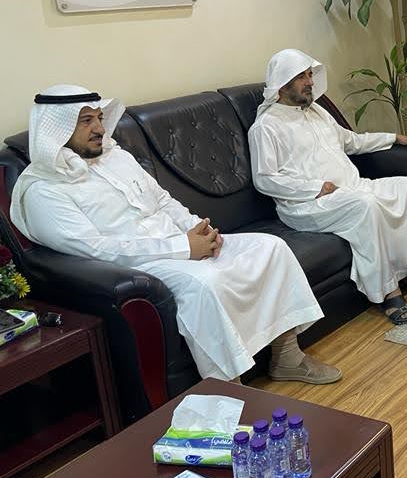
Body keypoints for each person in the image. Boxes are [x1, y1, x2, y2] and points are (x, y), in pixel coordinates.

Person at [10, 85, 339, 384]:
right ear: (56, 129)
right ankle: (231, 387)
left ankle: (287, 358)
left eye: (98, 117)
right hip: (140, 266)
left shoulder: (115, 156)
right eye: (86, 121)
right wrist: (184, 247)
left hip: (182, 242)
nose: (99, 128)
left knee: (271, 248)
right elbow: (97, 250)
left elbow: (163, 201)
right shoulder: (44, 191)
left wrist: (200, 230)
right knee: (205, 283)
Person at [249, 49, 407, 327]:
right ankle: (388, 293)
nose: (310, 82)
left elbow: (352, 142)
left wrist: (393, 137)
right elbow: (265, 179)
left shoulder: (317, 112)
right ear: (282, 85)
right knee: (365, 205)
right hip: (307, 205)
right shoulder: (266, 127)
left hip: (351, 189)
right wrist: (315, 188)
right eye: (302, 77)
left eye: (310, 75)